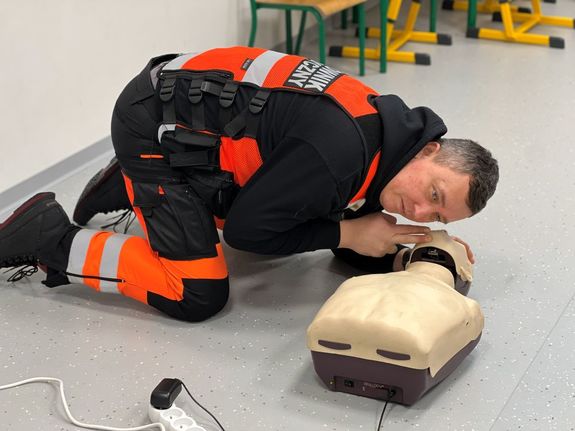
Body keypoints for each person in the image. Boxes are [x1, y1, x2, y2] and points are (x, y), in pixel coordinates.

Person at [0, 46, 499, 322]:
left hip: (183, 114)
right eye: (434, 194)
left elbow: (337, 220)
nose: (419, 211)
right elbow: (246, 233)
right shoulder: (341, 153)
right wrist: (349, 233)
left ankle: (137, 182)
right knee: (197, 292)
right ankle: (50, 236)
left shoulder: (387, 138)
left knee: (298, 216)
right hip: (150, 125)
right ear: (430, 150)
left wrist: (415, 253)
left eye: (437, 216)